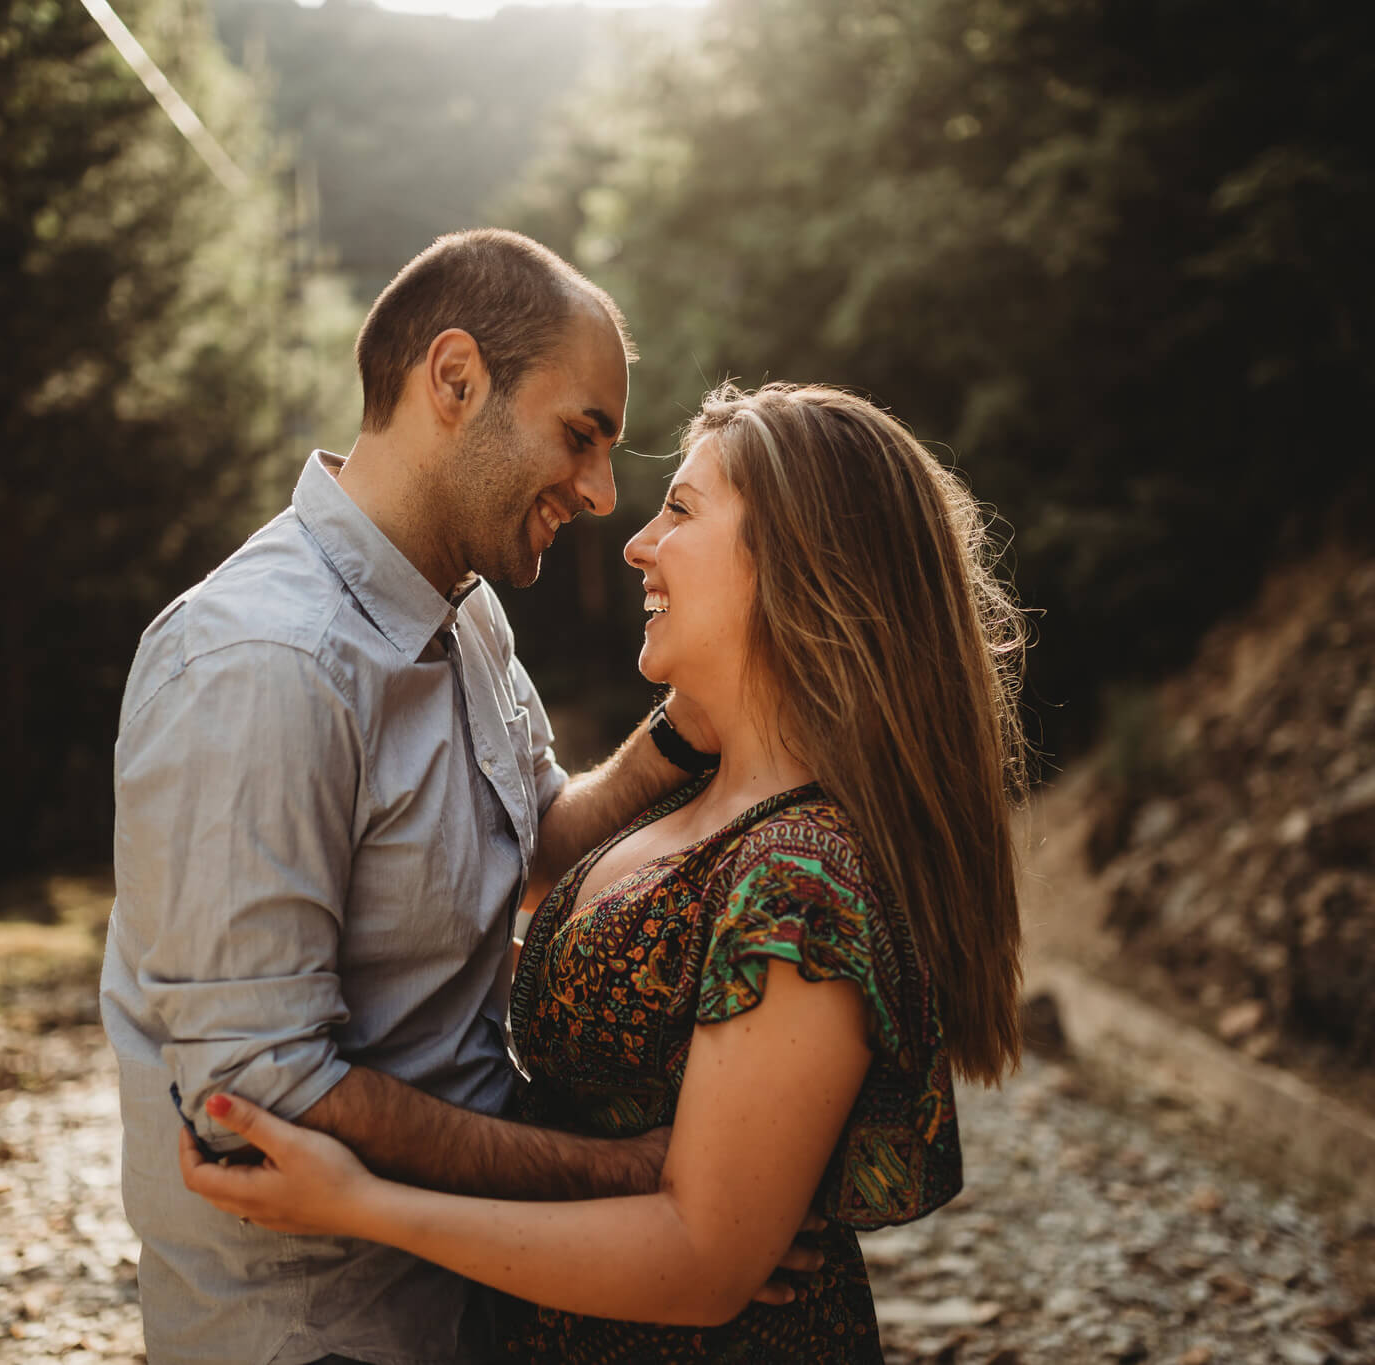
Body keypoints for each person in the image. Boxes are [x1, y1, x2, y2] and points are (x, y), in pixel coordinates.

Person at [179, 381, 1030, 1361]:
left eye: (680, 509)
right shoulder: (695, 806)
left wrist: (367, 1206)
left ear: (796, 560)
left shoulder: (802, 879)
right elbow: (538, 907)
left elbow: (702, 1263)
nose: (634, 543)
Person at [101, 231, 799, 1365]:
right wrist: (626, 1179)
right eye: (581, 436)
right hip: (322, 1330)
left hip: (469, 1288)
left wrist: (687, 731)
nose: (595, 494)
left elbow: (528, 849)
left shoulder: (462, 607)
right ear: (455, 381)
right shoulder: (260, 663)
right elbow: (262, 1093)